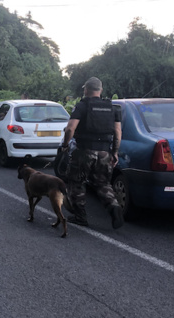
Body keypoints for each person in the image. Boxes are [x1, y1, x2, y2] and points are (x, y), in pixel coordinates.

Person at [61, 76, 123, 229]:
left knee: (77, 182)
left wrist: (65, 144)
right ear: (100, 90)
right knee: (103, 183)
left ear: (86, 90)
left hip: (84, 151)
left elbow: (70, 128)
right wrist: (115, 152)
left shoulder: (82, 106)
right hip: (104, 152)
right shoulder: (112, 108)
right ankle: (115, 208)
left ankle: (80, 217)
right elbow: (117, 132)